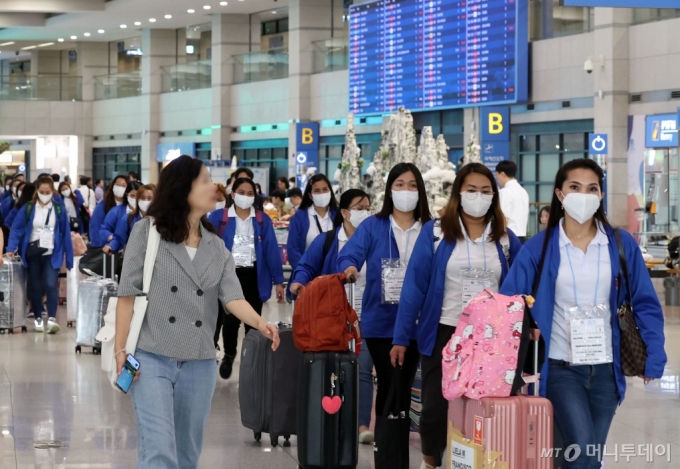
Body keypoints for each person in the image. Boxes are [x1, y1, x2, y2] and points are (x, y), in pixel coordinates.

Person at [499, 158, 667, 469]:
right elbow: (507, 304)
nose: (584, 194)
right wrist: (528, 325)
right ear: (560, 194)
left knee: (580, 456)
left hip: (605, 369)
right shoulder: (539, 248)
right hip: (562, 367)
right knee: (585, 454)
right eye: (575, 187)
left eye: (592, 188)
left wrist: (654, 354)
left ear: (601, 195)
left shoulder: (619, 244)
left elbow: (644, 302)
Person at [115, 155, 280, 469]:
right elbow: (127, 295)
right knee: (160, 451)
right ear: (183, 188)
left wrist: (261, 323)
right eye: (204, 180)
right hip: (151, 355)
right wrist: (120, 348)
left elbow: (233, 297)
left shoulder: (216, 247)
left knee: (187, 455)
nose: (213, 187)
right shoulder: (147, 232)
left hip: (200, 361)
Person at [391, 163, 522, 469]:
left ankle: (479, 461)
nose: (479, 196)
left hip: (491, 338)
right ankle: (431, 462)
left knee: (484, 405)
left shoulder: (505, 238)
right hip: (444, 332)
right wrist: (400, 337)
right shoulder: (435, 232)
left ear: (495, 195)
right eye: (472, 190)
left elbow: (519, 287)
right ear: (458, 193)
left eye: (486, 191)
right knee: (436, 406)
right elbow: (414, 286)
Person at [337, 163, 432, 465]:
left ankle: (392, 455)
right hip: (380, 325)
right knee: (392, 384)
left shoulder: (432, 228)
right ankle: (391, 457)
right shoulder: (374, 226)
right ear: (390, 189)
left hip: (419, 325)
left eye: (413, 185)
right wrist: (350, 267)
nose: (406, 191)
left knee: (400, 389)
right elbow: (349, 253)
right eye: (400, 184)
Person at [290, 189, 376, 444]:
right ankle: (333, 418)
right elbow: (306, 265)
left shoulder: (376, 239)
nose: (365, 211)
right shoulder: (328, 241)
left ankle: (361, 425)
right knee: (337, 368)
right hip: (333, 319)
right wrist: (298, 282)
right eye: (359, 207)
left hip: (368, 315)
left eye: (368, 206)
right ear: (346, 212)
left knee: (363, 368)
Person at [208, 177, 285, 379]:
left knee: (254, 320)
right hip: (227, 274)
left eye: (250, 194)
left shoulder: (261, 220)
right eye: (241, 192)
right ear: (232, 195)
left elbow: (271, 251)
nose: (246, 197)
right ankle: (229, 354)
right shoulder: (219, 217)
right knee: (230, 319)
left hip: (253, 274)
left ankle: (252, 359)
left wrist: (279, 280)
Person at [7, 175, 74, 333]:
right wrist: (11, 248)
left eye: (48, 191)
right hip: (32, 253)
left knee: (51, 285)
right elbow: (16, 228)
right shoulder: (29, 208)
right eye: (42, 191)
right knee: (36, 287)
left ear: (52, 191)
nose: (45, 194)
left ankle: (51, 319)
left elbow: (65, 232)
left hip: (52, 253)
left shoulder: (58, 208)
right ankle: (38, 318)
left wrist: (69, 259)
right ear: (37, 191)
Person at [287, 174, 338, 272]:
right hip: (307, 276)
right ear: (310, 195)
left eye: (325, 189)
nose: (322, 194)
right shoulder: (300, 217)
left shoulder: (338, 216)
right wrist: (303, 273)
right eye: (317, 191)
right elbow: (293, 249)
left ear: (330, 192)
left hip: (333, 276)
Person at [103, 184, 155, 254]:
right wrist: (111, 246)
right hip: (134, 259)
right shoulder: (128, 218)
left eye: (149, 198)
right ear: (138, 200)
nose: (146, 201)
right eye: (142, 198)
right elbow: (119, 238)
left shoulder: (160, 220)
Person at [89, 175, 129, 247]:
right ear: (112, 186)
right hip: (105, 247)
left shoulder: (128, 206)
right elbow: (95, 226)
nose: (120, 187)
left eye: (124, 186)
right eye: (118, 184)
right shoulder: (103, 205)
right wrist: (97, 246)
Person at [100, 181, 142, 249]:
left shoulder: (144, 213)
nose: (135, 199)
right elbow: (104, 229)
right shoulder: (116, 212)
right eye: (132, 196)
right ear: (126, 195)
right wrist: (112, 238)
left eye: (138, 196)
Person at [496, 160, 529, 243]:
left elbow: (503, 218)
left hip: (508, 237)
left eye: (497, 175)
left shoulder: (505, 192)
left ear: (502, 174)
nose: (497, 179)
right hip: (521, 236)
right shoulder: (523, 191)